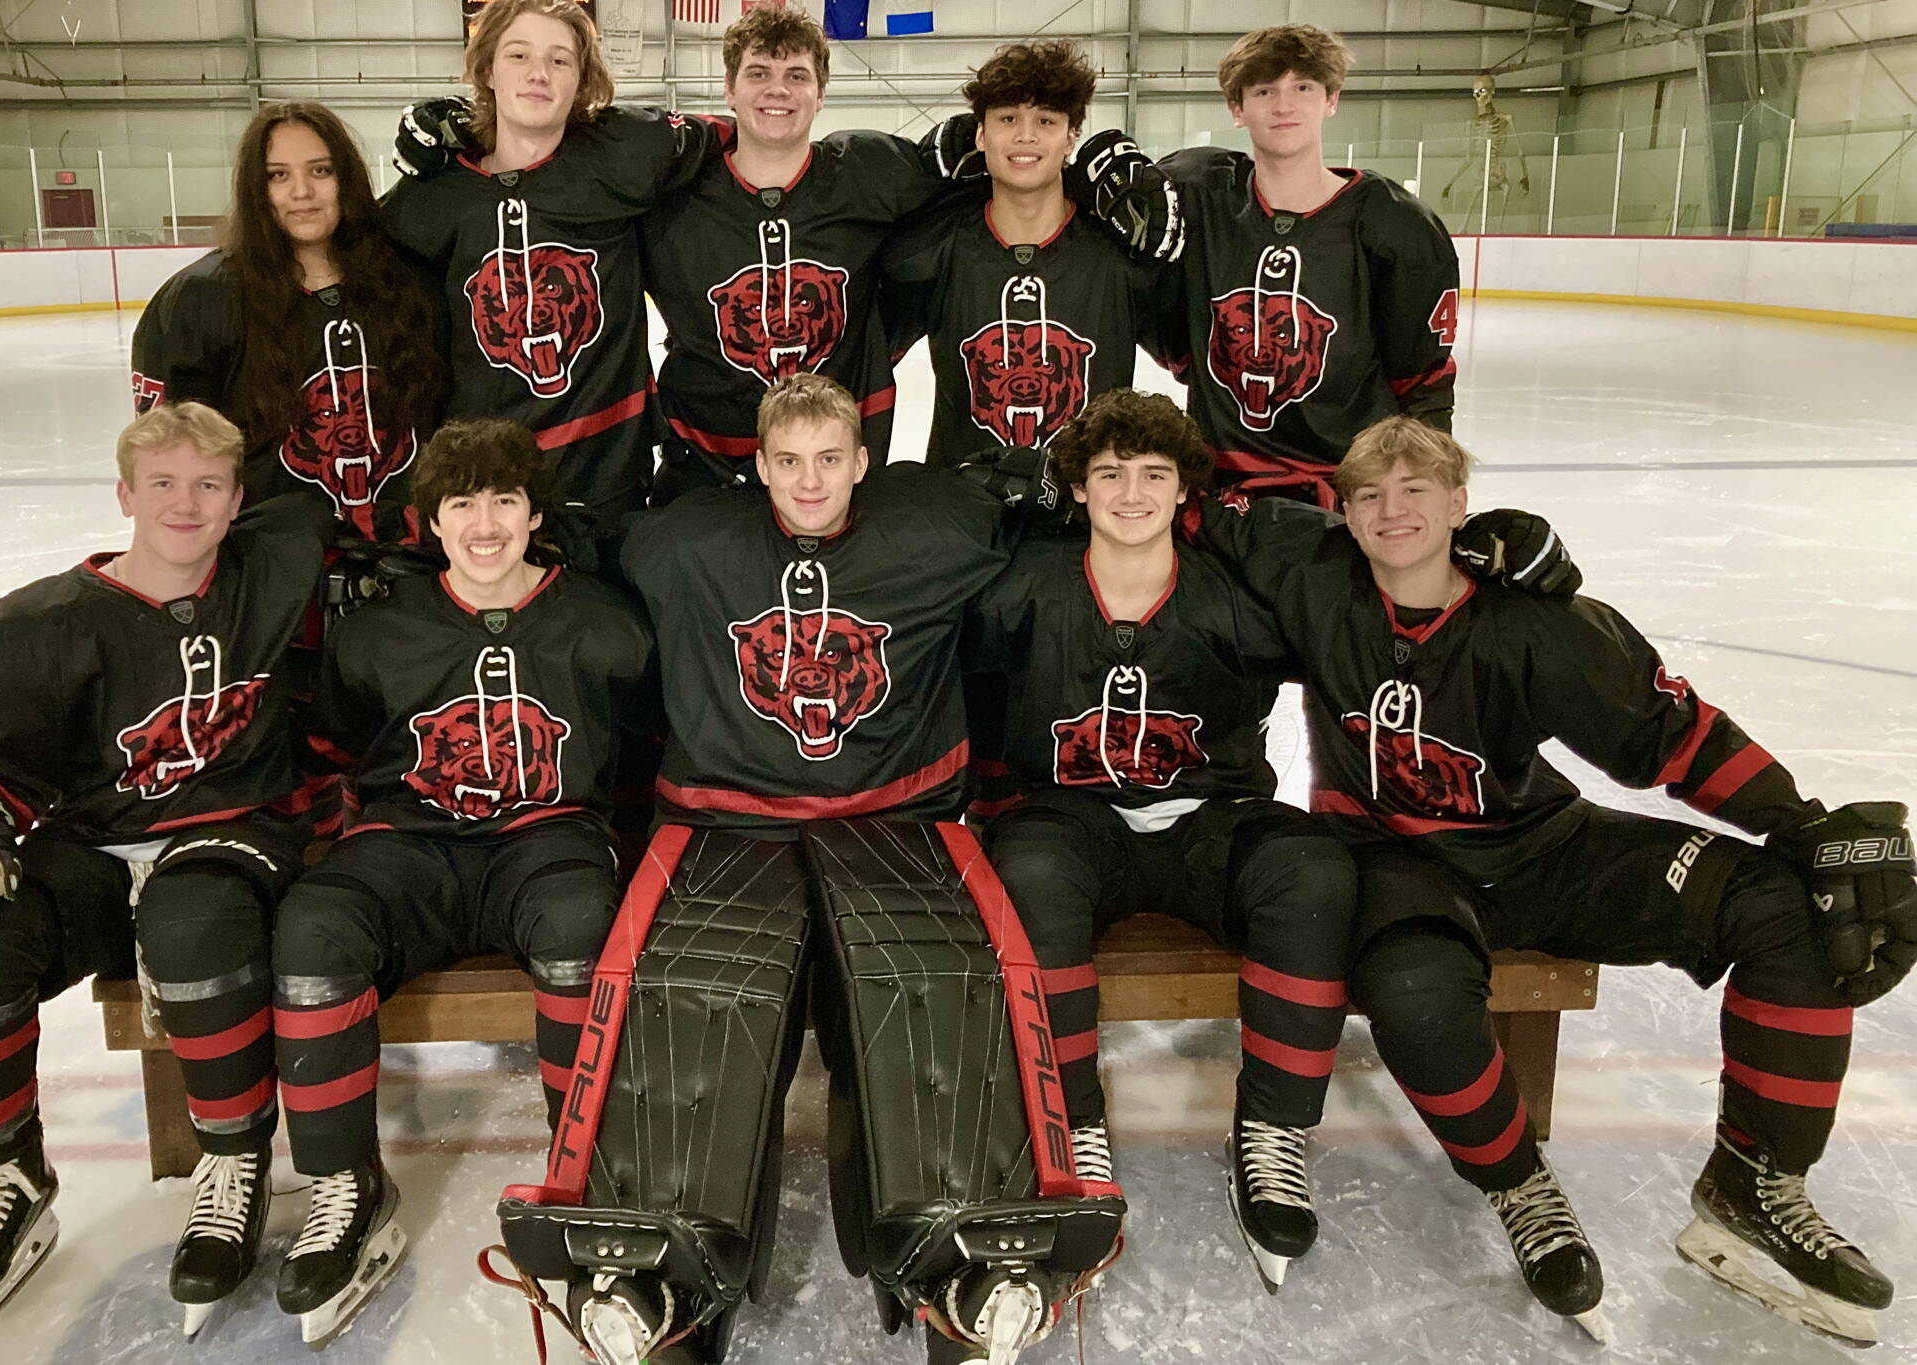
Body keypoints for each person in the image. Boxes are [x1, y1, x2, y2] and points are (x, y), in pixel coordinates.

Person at [1192, 415, 1916, 1345]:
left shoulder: (1534, 619)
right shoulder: (1310, 568)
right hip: (1392, 860)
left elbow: (1670, 736)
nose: (1392, 509)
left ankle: (1753, 1184)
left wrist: (1805, 826)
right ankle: (1521, 1183)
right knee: (1414, 997)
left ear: (1462, 504)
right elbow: (1176, 508)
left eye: (1418, 490)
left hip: (1543, 847)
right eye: (1370, 493)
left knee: (1785, 907)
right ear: (1343, 509)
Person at [485, 375, 1121, 1365]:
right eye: (788, 462)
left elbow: (1050, 530)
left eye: (830, 458)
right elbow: (562, 546)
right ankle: (662, 1281)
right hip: (724, 824)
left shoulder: (938, 521)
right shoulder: (685, 537)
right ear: (759, 466)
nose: (809, 479)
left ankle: (967, 1265)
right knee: (696, 993)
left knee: (933, 986)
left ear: (863, 461)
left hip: (898, 817)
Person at [0, 404, 333, 1343]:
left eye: (209, 485)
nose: (186, 503)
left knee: (193, 923)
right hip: (90, 849)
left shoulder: (276, 565)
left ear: (239, 500)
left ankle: (234, 1162)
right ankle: (4, 1173)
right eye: (162, 483)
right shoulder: (39, 622)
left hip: (229, 835)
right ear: (124, 494)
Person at [268, 418, 652, 1344]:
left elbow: (644, 754)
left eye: (506, 501)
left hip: (549, 839)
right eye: (463, 504)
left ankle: (582, 1165)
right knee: (315, 929)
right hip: (413, 845)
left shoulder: (604, 621)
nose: (486, 524)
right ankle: (344, 1182)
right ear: (430, 522)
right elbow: (327, 750)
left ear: (534, 513)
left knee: (578, 925)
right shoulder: (378, 632)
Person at [966, 388, 1358, 1292]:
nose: (1131, 492)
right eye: (1109, 474)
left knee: (1313, 873)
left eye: (1152, 473)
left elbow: (1355, 620)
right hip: (1070, 817)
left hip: (1209, 820)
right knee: (1024, 872)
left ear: (1186, 490)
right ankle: (1076, 1128)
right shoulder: (1023, 589)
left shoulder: (1236, 599)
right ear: (1077, 488)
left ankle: (1271, 1131)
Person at [383, 0, 732, 519]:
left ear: (582, 80)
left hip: (608, 482)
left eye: (561, 60)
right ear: (487, 70)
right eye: (518, 55)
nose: (539, 74)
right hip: (486, 493)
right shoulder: (433, 194)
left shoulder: (624, 152)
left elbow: (739, 133)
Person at [639, 6, 960, 499]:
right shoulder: (673, 196)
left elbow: (979, 188)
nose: (778, 89)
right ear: (729, 88)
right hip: (706, 475)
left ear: (821, 93)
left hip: (831, 477)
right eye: (759, 73)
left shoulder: (867, 174)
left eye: (796, 75)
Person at [1156, 25, 1460, 505]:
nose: (1283, 105)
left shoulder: (1395, 224)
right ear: (1237, 109)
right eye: (1264, 91)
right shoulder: (1201, 200)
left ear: (1331, 99)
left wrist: (1425, 494)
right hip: (1222, 487)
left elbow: (1422, 383)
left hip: (1348, 487)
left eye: (1303, 87)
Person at [133, 101, 446, 541]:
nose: (302, 192)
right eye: (278, 175)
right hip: (271, 566)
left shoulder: (411, 285)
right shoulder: (200, 300)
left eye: (320, 171)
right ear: (255, 189)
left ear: (347, 179)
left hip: (407, 560)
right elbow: (172, 459)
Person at [882, 40, 1165, 475]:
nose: (1026, 135)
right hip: (963, 511)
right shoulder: (934, 249)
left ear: (1072, 137)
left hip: (1087, 513)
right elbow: (858, 357)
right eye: (1008, 118)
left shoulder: (1120, 254)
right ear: (980, 134)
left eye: (1046, 120)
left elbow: (1196, 357)